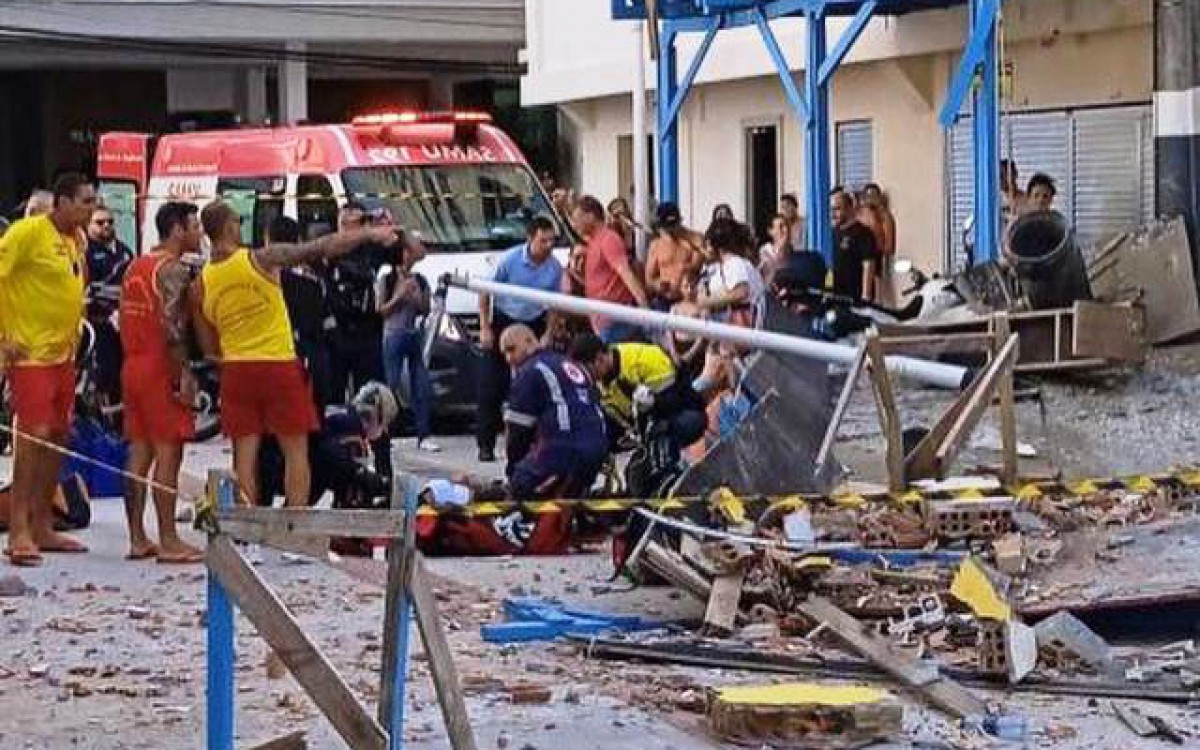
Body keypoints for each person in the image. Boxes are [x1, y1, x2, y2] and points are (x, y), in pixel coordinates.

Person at [193, 199, 397, 507]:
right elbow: (321, 247)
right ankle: (294, 526)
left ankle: (250, 530)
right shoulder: (261, 258)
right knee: (295, 450)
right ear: (231, 226)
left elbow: (209, 347)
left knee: (244, 455)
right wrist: (369, 233)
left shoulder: (200, 283)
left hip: (236, 369)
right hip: (278, 365)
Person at [0, 173, 95, 566]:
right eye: (86, 202)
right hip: (31, 354)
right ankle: (19, 527)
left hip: (64, 354)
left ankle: (43, 521)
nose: (92, 210)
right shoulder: (26, 234)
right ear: (63, 202)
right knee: (34, 434)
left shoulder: (76, 240)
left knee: (58, 435)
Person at [118, 201, 205, 564]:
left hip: (133, 365)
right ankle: (169, 539)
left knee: (139, 455)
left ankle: (138, 536)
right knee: (169, 453)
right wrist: (182, 374)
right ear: (177, 230)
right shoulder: (172, 270)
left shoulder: (136, 265)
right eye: (194, 226)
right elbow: (172, 329)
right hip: (159, 367)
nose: (199, 233)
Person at [476, 216, 564, 463]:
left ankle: (533, 442)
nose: (548, 246)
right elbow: (485, 291)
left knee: (533, 382)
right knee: (491, 384)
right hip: (505, 318)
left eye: (551, 241)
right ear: (530, 238)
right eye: (543, 241)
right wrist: (485, 327)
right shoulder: (509, 260)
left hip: (533, 323)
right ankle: (485, 443)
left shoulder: (554, 268)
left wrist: (547, 333)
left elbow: (556, 303)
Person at [501, 325, 608, 502]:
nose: (508, 358)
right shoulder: (569, 364)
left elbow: (517, 431)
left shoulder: (530, 371)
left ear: (529, 341)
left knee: (520, 489)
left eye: (511, 349)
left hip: (560, 450)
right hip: (596, 449)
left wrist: (514, 471)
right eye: (504, 353)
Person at [258, 381, 397, 512]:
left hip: (275, 458)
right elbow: (330, 456)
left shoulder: (340, 414)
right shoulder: (353, 433)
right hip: (290, 469)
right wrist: (363, 476)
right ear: (377, 417)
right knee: (350, 476)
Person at [570, 333, 706, 455]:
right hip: (642, 434)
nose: (587, 377)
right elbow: (617, 421)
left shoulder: (644, 358)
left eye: (588, 370)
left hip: (677, 414)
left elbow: (678, 398)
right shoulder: (598, 385)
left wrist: (652, 403)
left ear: (600, 359)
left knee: (689, 423)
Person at [376, 225, 439, 453]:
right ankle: (383, 431)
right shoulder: (388, 278)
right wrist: (399, 296)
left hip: (414, 334)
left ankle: (424, 433)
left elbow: (425, 309)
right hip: (393, 335)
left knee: (421, 385)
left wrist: (419, 297)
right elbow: (380, 310)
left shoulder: (419, 279)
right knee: (389, 384)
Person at [266, 216, 334, 415]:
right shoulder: (311, 283)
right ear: (298, 243)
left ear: (268, 241)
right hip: (309, 360)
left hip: (273, 359)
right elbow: (327, 327)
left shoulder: (260, 283)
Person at [325, 201, 387, 403]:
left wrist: (391, 229)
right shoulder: (330, 247)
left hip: (368, 330)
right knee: (333, 394)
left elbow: (415, 252)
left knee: (370, 395)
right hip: (338, 331)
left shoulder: (372, 250)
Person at [572, 195, 649, 343]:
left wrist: (644, 310)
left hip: (615, 320)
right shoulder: (595, 241)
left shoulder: (609, 239)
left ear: (590, 217)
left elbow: (626, 274)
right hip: (601, 320)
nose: (575, 225)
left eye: (577, 219)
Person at [696, 218, 766, 329]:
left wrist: (707, 302)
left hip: (742, 330)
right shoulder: (717, 267)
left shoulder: (735, 263)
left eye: (708, 245)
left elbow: (741, 292)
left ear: (718, 247)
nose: (706, 250)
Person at [644, 202, 702, 311]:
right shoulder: (656, 245)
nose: (671, 229)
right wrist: (659, 285)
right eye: (667, 226)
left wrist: (685, 267)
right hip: (665, 300)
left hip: (688, 299)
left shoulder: (694, 240)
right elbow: (649, 278)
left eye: (673, 225)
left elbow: (696, 267)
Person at [830, 188, 879, 302]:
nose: (833, 214)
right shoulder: (832, 232)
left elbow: (869, 264)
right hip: (835, 296)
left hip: (855, 297)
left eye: (837, 209)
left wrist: (865, 296)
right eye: (831, 209)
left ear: (850, 208)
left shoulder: (863, 233)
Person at [85, 206, 135, 284]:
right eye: (100, 222)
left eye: (110, 222)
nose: (106, 225)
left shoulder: (124, 250)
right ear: (88, 224)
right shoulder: (84, 250)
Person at [757, 213, 794, 284]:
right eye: (780, 227)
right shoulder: (764, 254)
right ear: (770, 231)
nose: (785, 230)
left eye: (787, 226)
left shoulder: (794, 253)